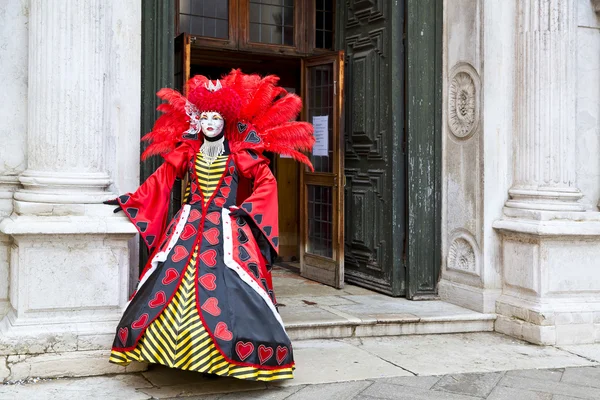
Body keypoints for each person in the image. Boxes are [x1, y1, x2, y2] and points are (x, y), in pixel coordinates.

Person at [106, 70, 314, 381]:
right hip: (188, 226)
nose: (211, 124)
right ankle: (172, 353)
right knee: (171, 285)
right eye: (205, 118)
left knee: (230, 289)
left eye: (217, 119)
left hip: (226, 230)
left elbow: (266, 181)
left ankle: (221, 359)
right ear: (199, 122)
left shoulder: (238, 155)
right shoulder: (187, 152)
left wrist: (247, 209)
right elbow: (161, 179)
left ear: (225, 122)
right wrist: (132, 200)